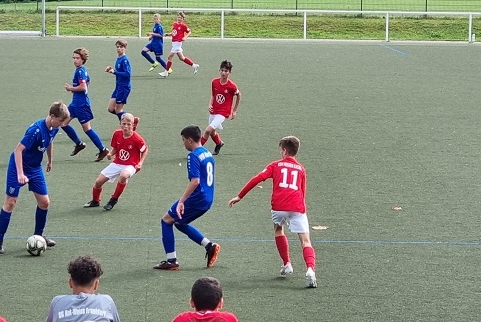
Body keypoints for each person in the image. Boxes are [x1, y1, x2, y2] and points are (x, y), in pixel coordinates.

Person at [228, 136, 318, 287]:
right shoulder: (301, 169)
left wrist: (239, 196)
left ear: (284, 151)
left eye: (281, 150)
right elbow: (303, 191)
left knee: (278, 229)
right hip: (297, 207)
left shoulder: (275, 165)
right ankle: (310, 269)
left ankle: (287, 263)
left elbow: (257, 179)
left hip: (279, 207)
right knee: (305, 241)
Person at [0, 102, 71, 254]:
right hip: (18, 166)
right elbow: (18, 151)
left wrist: (50, 160)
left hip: (35, 168)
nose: (62, 124)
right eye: (61, 120)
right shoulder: (35, 130)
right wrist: (20, 174)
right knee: (10, 202)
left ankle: (39, 236)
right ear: (52, 116)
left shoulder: (54, 128)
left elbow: (49, 142)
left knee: (44, 202)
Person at [155, 125, 219, 271]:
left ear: (190, 140)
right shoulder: (207, 153)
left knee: (166, 220)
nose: (183, 143)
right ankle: (209, 246)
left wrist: (182, 201)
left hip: (197, 198)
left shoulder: (193, 156)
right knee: (179, 222)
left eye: (184, 140)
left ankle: (171, 261)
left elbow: (195, 181)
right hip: (207, 198)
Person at [84, 113, 147, 211]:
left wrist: (140, 163)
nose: (126, 126)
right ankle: (95, 201)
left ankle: (113, 200)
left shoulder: (137, 139)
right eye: (124, 124)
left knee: (124, 175)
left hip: (131, 165)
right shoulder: (117, 134)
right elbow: (115, 148)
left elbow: (145, 150)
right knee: (98, 182)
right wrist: (110, 153)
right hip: (117, 163)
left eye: (129, 124)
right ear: (120, 123)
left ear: (133, 125)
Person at [62, 48, 109, 161]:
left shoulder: (80, 71)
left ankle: (102, 149)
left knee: (87, 129)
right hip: (75, 104)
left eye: (77, 58)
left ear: (83, 59)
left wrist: (71, 88)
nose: (75, 60)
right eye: (74, 58)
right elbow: (88, 82)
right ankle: (79, 144)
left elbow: (83, 87)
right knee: (63, 123)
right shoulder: (82, 70)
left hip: (81, 105)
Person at [200, 61, 240, 155]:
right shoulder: (214, 82)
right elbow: (213, 95)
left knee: (208, 130)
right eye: (222, 70)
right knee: (212, 132)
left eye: (226, 71)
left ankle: (197, 150)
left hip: (223, 112)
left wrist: (234, 110)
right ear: (219, 70)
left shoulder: (232, 86)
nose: (223, 73)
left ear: (229, 72)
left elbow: (239, 95)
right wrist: (210, 105)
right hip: (214, 110)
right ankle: (219, 143)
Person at [105, 39, 134, 121]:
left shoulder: (125, 60)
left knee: (118, 110)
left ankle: (127, 123)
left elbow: (127, 74)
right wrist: (111, 69)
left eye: (121, 47)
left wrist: (114, 72)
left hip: (124, 87)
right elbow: (119, 71)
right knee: (110, 109)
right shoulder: (119, 58)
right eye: (117, 47)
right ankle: (131, 119)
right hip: (118, 86)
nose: (119, 49)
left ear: (125, 48)